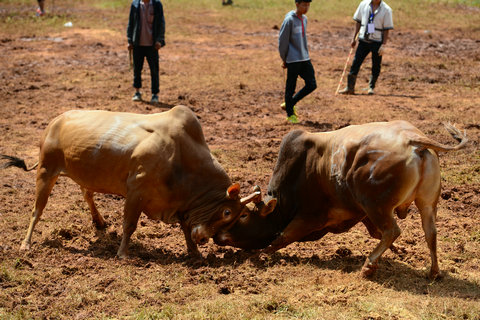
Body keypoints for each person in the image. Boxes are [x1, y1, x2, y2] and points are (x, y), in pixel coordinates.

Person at [339, 0, 393, 95]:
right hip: (363, 40)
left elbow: (386, 30)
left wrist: (383, 45)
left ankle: (371, 87)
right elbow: (358, 22)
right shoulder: (363, 4)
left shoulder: (386, 10)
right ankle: (350, 87)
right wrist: (354, 38)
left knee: (376, 64)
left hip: (377, 41)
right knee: (356, 62)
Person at [279, 0, 317, 124]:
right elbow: (282, 42)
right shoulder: (289, 20)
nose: (306, 8)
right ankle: (290, 115)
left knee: (312, 84)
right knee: (291, 86)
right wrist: (284, 59)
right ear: (297, 4)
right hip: (292, 59)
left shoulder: (304, 19)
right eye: (304, 5)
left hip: (304, 58)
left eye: (308, 5)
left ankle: (290, 103)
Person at [127, 0, 165, 104]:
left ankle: (155, 94)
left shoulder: (157, 5)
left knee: (154, 70)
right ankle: (137, 92)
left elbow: (161, 23)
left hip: (152, 46)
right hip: (137, 44)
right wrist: (130, 40)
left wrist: (159, 40)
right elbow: (131, 23)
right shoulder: (135, 5)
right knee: (137, 69)